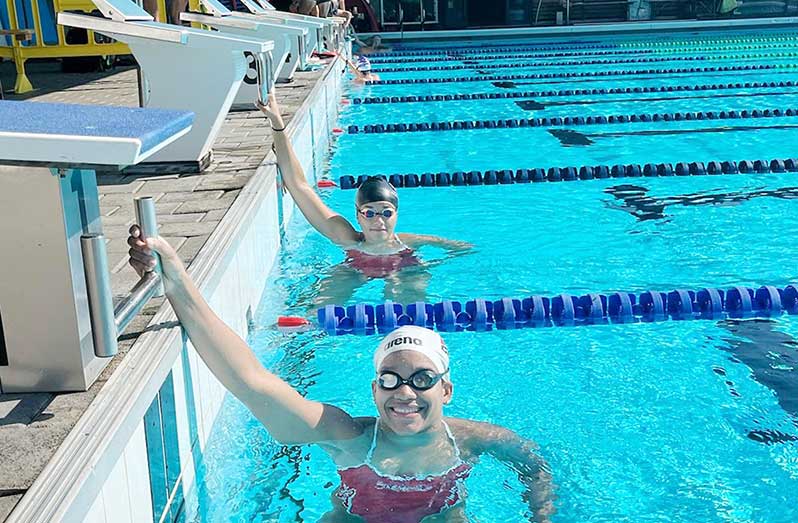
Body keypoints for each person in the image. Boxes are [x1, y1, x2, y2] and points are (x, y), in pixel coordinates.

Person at [126, 231, 555, 521]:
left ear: (446, 388)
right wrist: (177, 281)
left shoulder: (476, 439)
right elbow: (251, 382)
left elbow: (537, 468)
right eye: (390, 379)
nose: (404, 392)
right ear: (374, 389)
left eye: (421, 379)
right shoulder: (346, 435)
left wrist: (541, 512)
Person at [256, 93, 471, 305]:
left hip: (405, 268)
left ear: (396, 215)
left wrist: (433, 264)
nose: (378, 221)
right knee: (317, 313)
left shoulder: (409, 242)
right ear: (358, 216)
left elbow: (462, 249)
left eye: (386, 212)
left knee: (413, 312)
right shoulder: (345, 236)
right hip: (354, 269)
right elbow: (300, 186)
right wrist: (278, 124)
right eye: (369, 213)